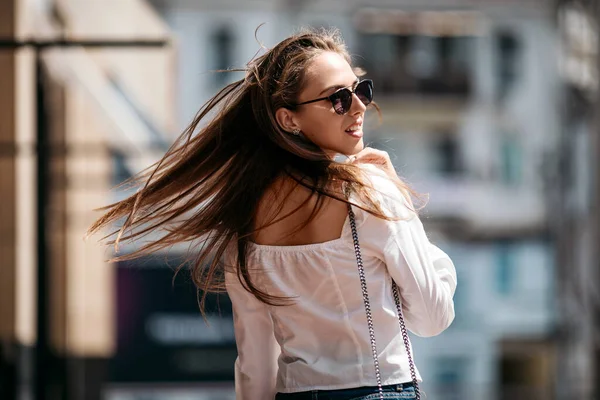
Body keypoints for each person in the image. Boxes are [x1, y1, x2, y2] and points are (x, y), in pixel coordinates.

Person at [88, 27, 457, 400]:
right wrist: (399, 199)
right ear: (288, 120)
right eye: (339, 98)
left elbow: (255, 367)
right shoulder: (368, 194)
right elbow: (433, 316)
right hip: (380, 389)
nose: (359, 106)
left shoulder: (245, 221)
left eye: (361, 90)